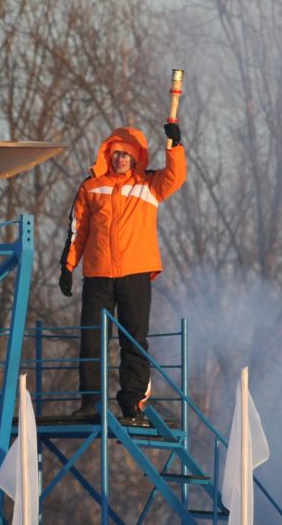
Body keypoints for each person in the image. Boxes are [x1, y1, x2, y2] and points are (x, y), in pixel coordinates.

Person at [59, 123, 186, 421]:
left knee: (133, 339)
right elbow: (78, 229)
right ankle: (90, 402)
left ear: (136, 157)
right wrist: (67, 266)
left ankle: (132, 403)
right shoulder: (91, 186)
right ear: (107, 154)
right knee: (92, 338)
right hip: (98, 274)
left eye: (126, 155)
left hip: (136, 273)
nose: (120, 159)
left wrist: (174, 146)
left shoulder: (149, 185)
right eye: (116, 154)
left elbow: (175, 176)